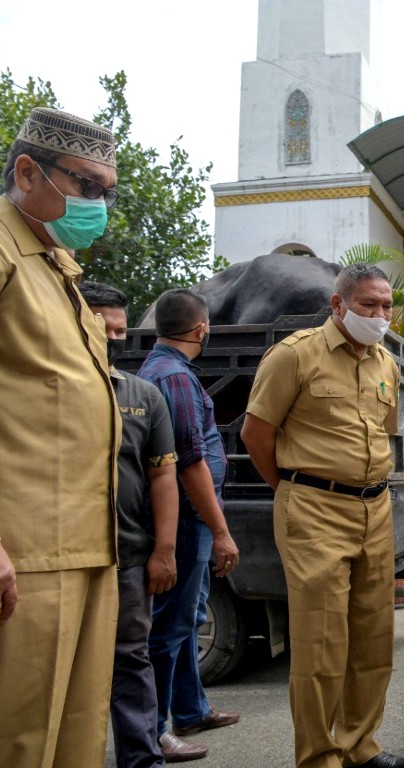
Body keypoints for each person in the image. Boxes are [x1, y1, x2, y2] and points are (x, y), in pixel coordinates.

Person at [241, 264, 404, 768]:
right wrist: (294, 490)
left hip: (374, 508)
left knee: (374, 637)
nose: (381, 315)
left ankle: (361, 747)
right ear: (338, 306)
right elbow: (256, 434)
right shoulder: (295, 355)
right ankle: (320, 757)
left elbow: (382, 434)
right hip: (314, 508)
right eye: (369, 305)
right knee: (320, 645)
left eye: (386, 306)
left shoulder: (384, 362)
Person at [0, 107, 121, 768]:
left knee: (75, 734)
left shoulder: (59, 269)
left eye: (107, 191)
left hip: (84, 546)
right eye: (87, 186)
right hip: (23, 553)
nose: (98, 204)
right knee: (19, 736)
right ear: (27, 171)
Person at [138, 288, 241, 762]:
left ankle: (190, 707)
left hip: (188, 519)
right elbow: (189, 462)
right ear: (201, 329)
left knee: (189, 618)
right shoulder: (174, 377)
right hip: (183, 522)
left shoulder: (163, 370)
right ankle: (156, 729)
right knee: (170, 627)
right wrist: (220, 531)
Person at [81, 281, 180, 768]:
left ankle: (143, 760)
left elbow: (163, 474)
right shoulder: (42, 390)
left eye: (121, 330)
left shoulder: (142, 395)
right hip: (63, 558)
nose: (112, 338)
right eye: (102, 326)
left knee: (132, 660)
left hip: (128, 556)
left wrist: (164, 549)